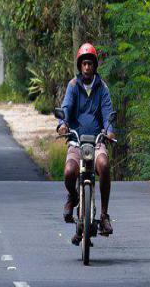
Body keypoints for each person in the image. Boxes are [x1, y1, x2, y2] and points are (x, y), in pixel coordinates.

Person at [57, 42, 115, 238]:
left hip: (97, 141)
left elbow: (108, 113)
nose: (87, 67)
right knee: (69, 172)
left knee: (104, 165)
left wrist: (109, 130)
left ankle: (105, 215)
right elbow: (65, 108)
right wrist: (62, 124)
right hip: (76, 141)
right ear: (80, 66)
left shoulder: (102, 88)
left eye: (90, 63)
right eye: (84, 64)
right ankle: (73, 197)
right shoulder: (73, 86)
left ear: (94, 66)